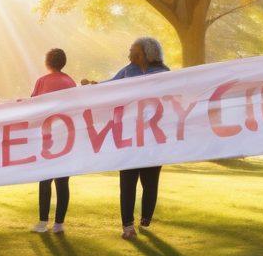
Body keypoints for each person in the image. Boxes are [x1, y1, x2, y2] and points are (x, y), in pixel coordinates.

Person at [85, 37, 171, 240]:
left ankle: (146, 217)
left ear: (148, 53)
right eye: (131, 50)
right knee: (127, 181)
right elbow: (111, 86)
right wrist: (93, 86)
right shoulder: (128, 71)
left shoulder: (163, 73)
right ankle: (127, 226)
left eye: (135, 50)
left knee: (150, 182)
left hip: (153, 138)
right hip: (128, 136)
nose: (131, 53)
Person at [30, 48, 77, 234]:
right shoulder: (69, 82)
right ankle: (59, 224)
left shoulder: (42, 81)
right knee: (63, 181)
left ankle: (42, 223)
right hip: (66, 137)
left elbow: (33, 105)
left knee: (45, 180)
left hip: (47, 138)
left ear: (47, 62)